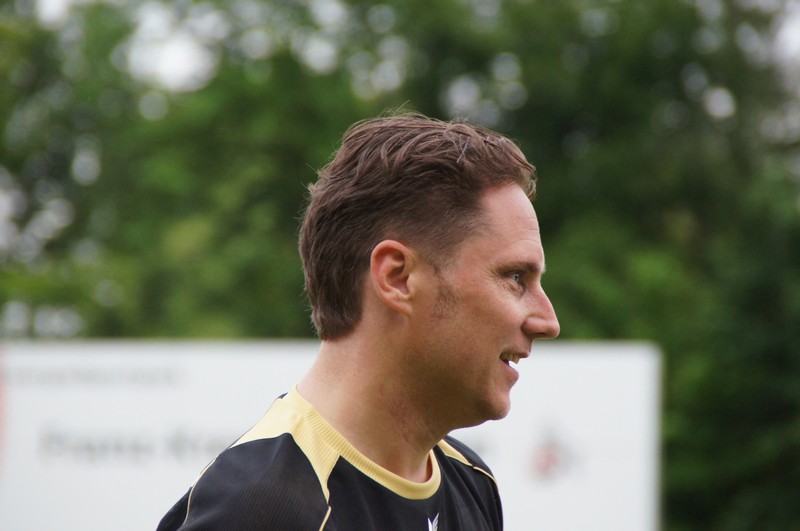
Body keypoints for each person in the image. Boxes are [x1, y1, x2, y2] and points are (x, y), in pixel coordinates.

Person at [157, 113, 560, 530]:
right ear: (397, 277)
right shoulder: (262, 511)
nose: (548, 321)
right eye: (515, 277)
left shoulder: (471, 481)